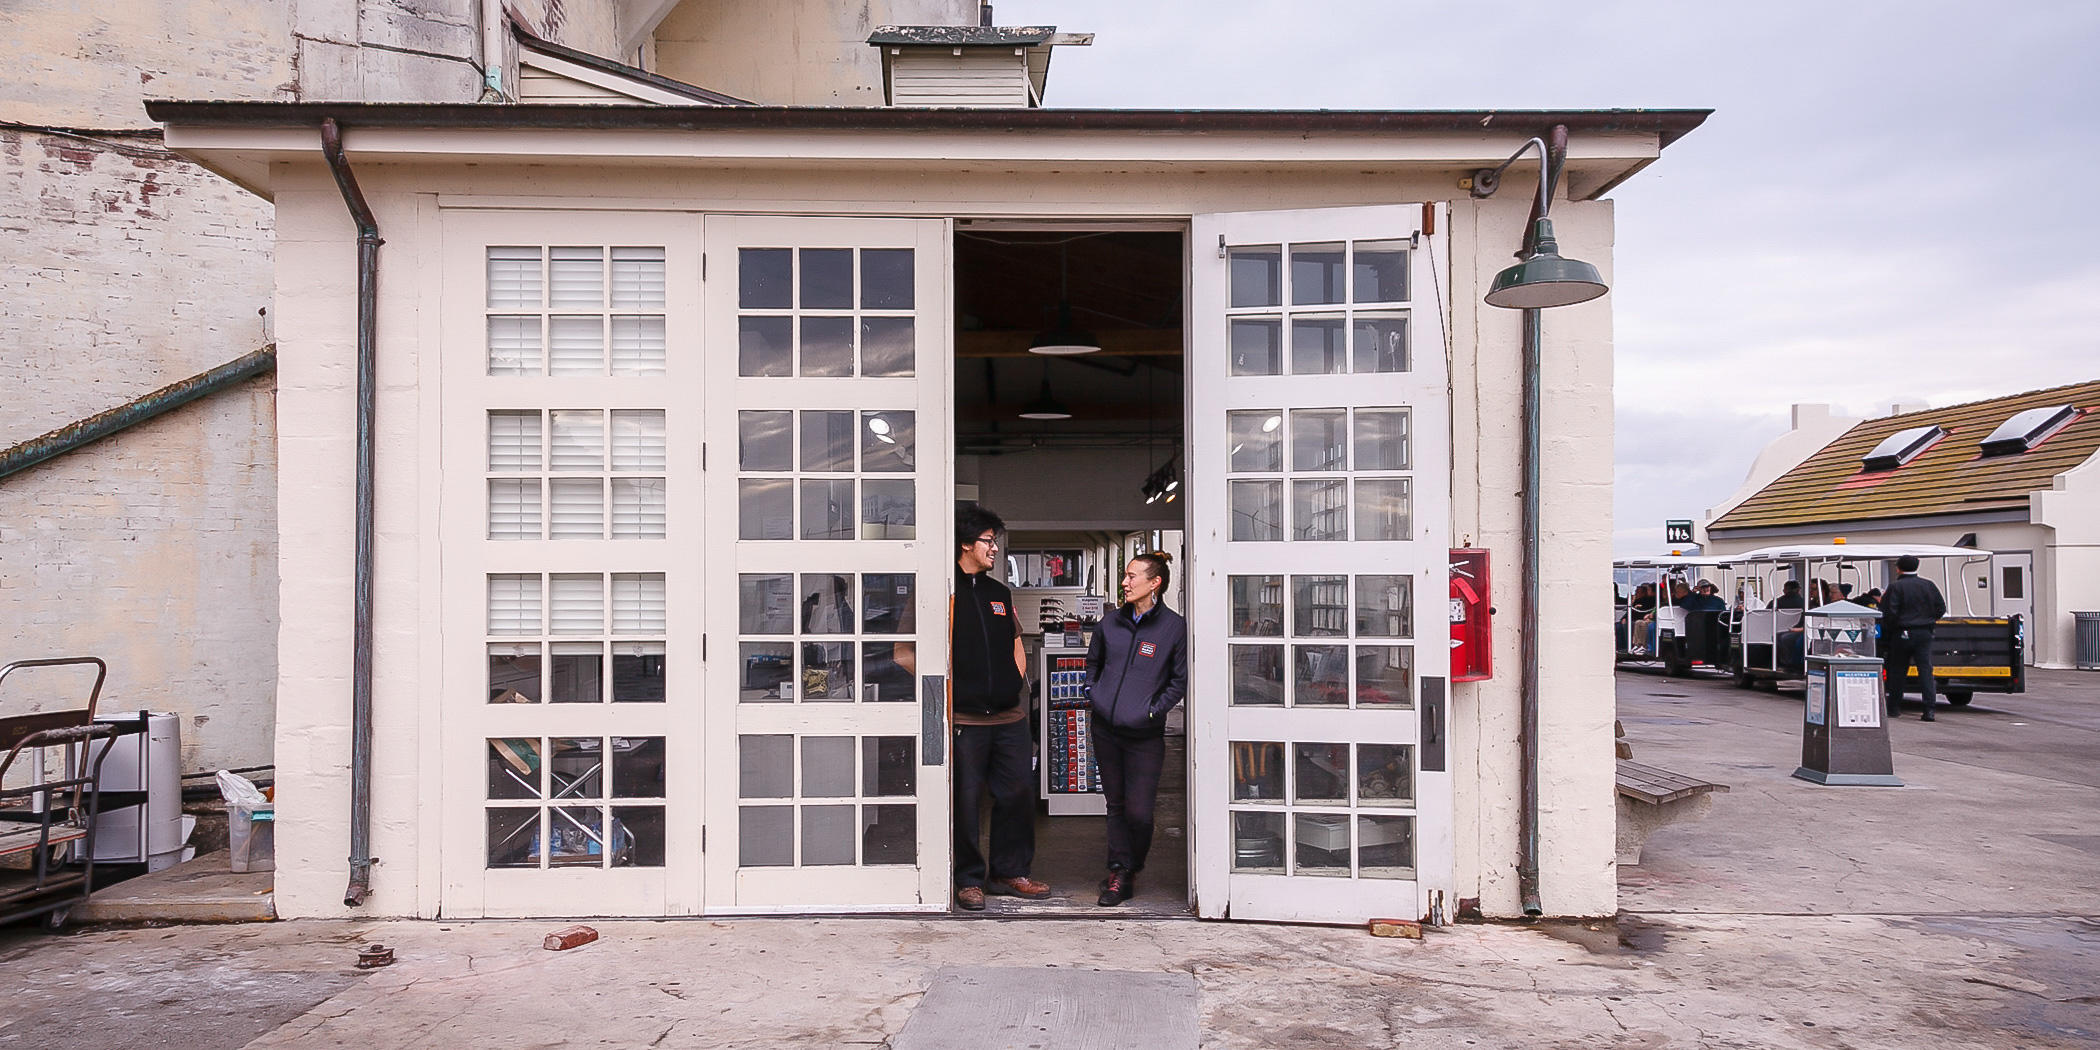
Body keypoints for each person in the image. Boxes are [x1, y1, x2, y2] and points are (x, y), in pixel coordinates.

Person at [941, 504, 1051, 909]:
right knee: (966, 801)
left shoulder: (999, 594)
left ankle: (1008, 872)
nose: (994, 549)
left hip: (1009, 718)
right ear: (966, 544)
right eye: (988, 541)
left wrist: (1015, 683)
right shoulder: (944, 591)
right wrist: (951, 695)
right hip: (965, 719)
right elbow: (908, 652)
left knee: (1018, 794)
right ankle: (968, 879)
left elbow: (1015, 644)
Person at [1084, 551, 1188, 907]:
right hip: (1105, 729)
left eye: (1131, 576)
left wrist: (1152, 711)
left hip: (1144, 735)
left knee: (1139, 812)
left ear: (1154, 582)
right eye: (1125, 576)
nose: (1125, 583)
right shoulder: (1109, 623)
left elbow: (1178, 681)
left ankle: (1132, 863)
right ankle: (1119, 873)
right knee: (1115, 805)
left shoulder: (1173, 628)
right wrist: (1092, 694)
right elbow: (1093, 662)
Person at [1881, 555, 1948, 721]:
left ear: (1899, 568)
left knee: (1898, 670)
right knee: (1925, 670)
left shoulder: (1896, 587)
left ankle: (1894, 707)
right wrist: (1929, 620)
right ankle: (1929, 709)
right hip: (1924, 632)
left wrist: (1893, 627)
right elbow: (1941, 607)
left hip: (1902, 632)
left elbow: (1889, 612)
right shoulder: (1928, 585)